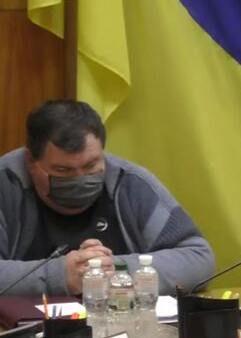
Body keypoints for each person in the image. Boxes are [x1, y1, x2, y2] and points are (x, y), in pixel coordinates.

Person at [0, 100, 215, 296]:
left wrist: (114, 270)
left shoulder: (130, 182)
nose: (80, 178)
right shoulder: (5, 184)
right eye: (63, 170)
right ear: (30, 161)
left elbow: (199, 258)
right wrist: (59, 276)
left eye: (91, 165)